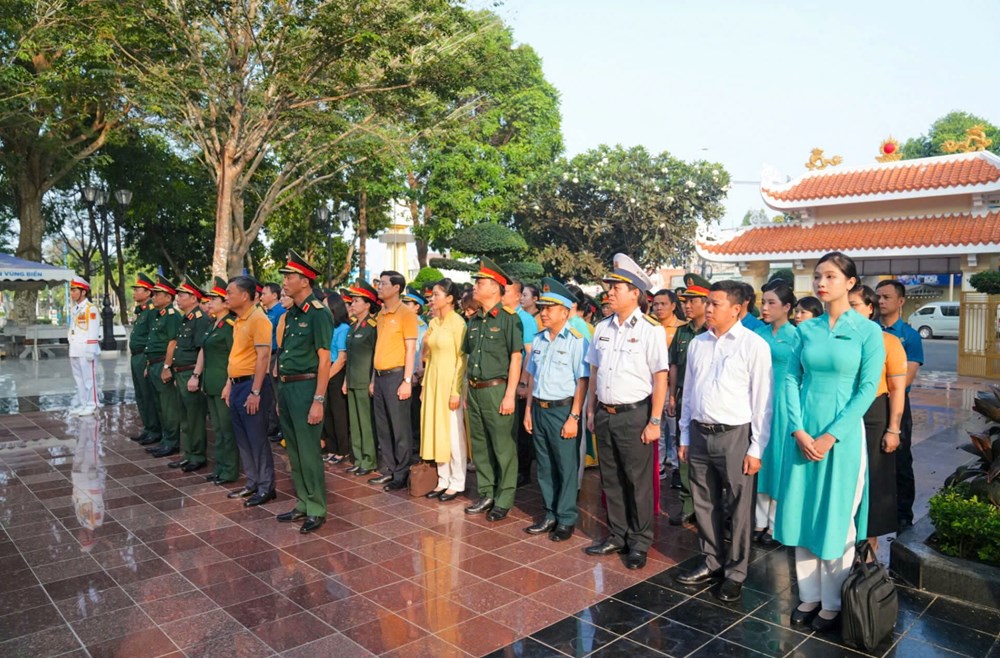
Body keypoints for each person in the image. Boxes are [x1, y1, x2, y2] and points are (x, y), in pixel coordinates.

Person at [776, 251, 884, 632]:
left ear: (851, 283)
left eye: (831, 276)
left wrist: (830, 435)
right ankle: (809, 595)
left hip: (842, 437)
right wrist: (798, 430)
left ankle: (834, 601)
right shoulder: (805, 330)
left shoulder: (868, 332)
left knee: (837, 516)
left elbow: (867, 389)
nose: (821, 283)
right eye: (818, 276)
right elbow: (791, 379)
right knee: (802, 512)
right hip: (803, 432)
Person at [673, 281, 773, 602]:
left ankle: (736, 572)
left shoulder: (753, 345)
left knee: (740, 508)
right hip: (700, 433)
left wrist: (756, 447)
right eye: (708, 303)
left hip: (735, 435)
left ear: (736, 309)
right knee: (704, 502)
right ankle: (711, 561)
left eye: (715, 304)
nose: (708, 309)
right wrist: (684, 434)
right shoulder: (698, 343)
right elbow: (689, 393)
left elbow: (762, 402)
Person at [585, 254, 669, 570]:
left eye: (616, 287)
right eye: (609, 287)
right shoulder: (601, 328)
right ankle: (617, 535)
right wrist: (591, 410)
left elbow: (660, 377)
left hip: (635, 415)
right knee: (611, 479)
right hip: (605, 413)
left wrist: (655, 420)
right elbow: (594, 372)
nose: (609, 292)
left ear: (635, 292)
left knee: (637, 481)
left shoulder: (650, 329)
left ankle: (640, 541)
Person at [523, 278, 589, 541]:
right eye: (542, 308)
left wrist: (574, 416)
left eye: (550, 308)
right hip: (539, 409)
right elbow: (532, 378)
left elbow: (582, 381)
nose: (544, 313)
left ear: (565, 312)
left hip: (563, 410)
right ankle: (550, 513)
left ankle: (566, 518)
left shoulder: (576, 341)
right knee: (545, 465)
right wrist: (528, 410)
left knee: (565, 466)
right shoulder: (539, 340)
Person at [272, 251, 334, 533]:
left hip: (307, 387)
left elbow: (325, 360)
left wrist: (318, 399)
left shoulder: (318, 313)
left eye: (290, 277)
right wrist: (280, 395)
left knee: (309, 451)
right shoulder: (292, 314)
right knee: (293, 450)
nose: (284, 281)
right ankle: (303, 502)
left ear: (305, 281)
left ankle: (317, 507)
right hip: (287, 387)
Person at [463, 258, 523, 521]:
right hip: (475, 389)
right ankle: (486, 492)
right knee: (480, 445)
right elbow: (468, 357)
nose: (475, 286)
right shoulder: (475, 320)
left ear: (496, 287)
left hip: (497, 390)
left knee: (502, 446)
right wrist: (466, 390)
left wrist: (510, 395)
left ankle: (504, 498)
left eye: (480, 282)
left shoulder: (509, 319)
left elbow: (516, 358)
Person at [850, 285, 905, 548]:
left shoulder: (888, 342)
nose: (848, 311)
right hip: (843, 409)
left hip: (874, 413)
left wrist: (893, 429)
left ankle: (868, 543)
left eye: (854, 306)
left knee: (873, 476)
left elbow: (897, 389)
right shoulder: (838, 340)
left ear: (870, 309)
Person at [224, 275, 276, 507]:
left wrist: (255, 392)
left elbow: (263, 357)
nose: (226, 297)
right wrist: (229, 383)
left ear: (244, 296)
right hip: (237, 385)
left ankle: (266, 487)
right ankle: (252, 482)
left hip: (252, 385)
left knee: (257, 438)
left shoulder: (258, 319)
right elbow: (237, 356)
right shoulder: (239, 320)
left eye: (230, 292)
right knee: (243, 438)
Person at [753, 283, 799, 546]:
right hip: (758, 402)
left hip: (783, 403)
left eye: (772, 303)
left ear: (787, 307)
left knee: (779, 460)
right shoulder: (757, 333)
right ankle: (758, 520)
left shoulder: (796, 336)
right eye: (763, 302)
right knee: (760, 456)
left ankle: (776, 524)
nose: (765, 307)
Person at [876, 279, 923, 530]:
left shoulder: (910, 336)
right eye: (878, 297)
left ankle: (904, 515)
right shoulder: (869, 330)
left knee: (901, 460)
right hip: (871, 403)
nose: (881, 301)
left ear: (901, 301)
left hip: (898, 403)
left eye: (887, 297)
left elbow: (907, 378)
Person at [369, 270, 418, 491]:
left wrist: (407, 380)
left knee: (400, 427)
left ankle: (401, 471)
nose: (379, 287)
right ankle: (389, 469)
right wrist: (373, 378)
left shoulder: (405, 314)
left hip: (397, 375)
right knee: (383, 426)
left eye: (383, 283)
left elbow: (411, 349)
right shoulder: (381, 314)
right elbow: (378, 348)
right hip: (380, 377)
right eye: (379, 283)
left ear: (397, 288)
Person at [421, 278, 469, 502]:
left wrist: (456, 390)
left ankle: (457, 481)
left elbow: (462, 358)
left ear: (450, 298)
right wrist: (424, 385)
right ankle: (443, 478)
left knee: (453, 433)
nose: (432, 299)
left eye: (437, 295)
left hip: (450, 383)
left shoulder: (458, 323)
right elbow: (428, 357)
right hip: (433, 381)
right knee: (436, 430)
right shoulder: (433, 323)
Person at [667, 274, 710, 518]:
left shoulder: (712, 332)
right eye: (685, 301)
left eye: (693, 301)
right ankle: (687, 503)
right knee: (683, 448)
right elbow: (673, 365)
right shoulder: (682, 332)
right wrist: (672, 396)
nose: (687, 305)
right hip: (684, 396)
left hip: (707, 399)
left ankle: (707, 503)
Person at [198, 277, 240, 485]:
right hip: (211, 383)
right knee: (217, 429)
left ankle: (230, 470)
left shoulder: (230, 325)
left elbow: (234, 356)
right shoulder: (213, 325)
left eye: (214, 299)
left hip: (224, 383)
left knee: (226, 429)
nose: (210, 302)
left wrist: (229, 383)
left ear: (225, 303)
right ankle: (220, 467)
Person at [168, 278, 212, 472]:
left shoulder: (200, 319)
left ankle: (198, 455)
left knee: (194, 418)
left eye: (182, 295)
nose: (178, 298)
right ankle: (187, 454)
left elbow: (201, 349)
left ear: (194, 298)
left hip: (190, 372)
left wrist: (195, 375)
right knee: (184, 418)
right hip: (181, 372)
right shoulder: (186, 318)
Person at [503, 279, 539, 488]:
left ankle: (523, 471)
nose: (502, 295)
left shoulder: (525, 319)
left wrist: (524, 382)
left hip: (519, 381)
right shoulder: (503, 316)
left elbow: (529, 353)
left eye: (506, 292)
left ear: (516, 296)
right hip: (505, 379)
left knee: (520, 431)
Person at [342, 281, 380, 477]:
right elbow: (349, 356)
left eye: (357, 301)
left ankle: (369, 459)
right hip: (352, 379)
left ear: (367, 304)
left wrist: (373, 380)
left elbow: (375, 356)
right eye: (352, 301)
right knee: (354, 422)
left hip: (365, 380)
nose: (352, 304)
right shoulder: (352, 326)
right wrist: (345, 380)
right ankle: (358, 458)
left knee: (365, 422)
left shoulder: (372, 327)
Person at [651, 289, 686, 480]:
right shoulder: (649, 326)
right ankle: (659, 466)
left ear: (673, 306)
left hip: (672, 387)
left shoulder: (682, 328)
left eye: (663, 304)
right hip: (653, 386)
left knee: (674, 430)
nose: (658, 308)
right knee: (657, 428)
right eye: (655, 304)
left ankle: (676, 466)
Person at [146, 276, 183, 459]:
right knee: (160, 405)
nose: (153, 297)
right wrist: (148, 364)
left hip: (162, 363)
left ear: (168, 297)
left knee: (168, 407)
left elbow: (172, 342)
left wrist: (167, 366)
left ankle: (172, 442)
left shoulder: (172, 315)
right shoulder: (159, 315)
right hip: (154, 363)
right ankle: (164, 439)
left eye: (157, 294)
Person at [128, 274, 161, 444]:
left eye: (138, 290)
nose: (134, 292)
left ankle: (155, 429)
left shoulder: (151, 311)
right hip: (136, 356)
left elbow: (152, 337)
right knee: (140, 394)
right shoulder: (141, 311)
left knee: (148, 395)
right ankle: (148, 427)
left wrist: (148, 360)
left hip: (143, 356)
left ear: (148, 292)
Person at [322, 293, 351, 464]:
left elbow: (342, 358)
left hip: (336, 371)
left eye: (326, 306)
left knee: (338, 412)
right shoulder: (328, 326)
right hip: (326, 368)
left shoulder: (343, 328)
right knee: (327, 412)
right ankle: (332, 448)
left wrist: (326, 377)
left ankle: (343, 449)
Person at [67, 276, 101, 416]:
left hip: (86, 349)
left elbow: (93, 329)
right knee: (79, 379)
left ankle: (92, 404)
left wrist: (91, 350)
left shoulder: (90, 309)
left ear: (83, 292)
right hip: (75, 349)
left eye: (75, 290)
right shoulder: (75, 309)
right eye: (71, 290)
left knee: (89, 379)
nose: (72, 293)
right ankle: (83, 404)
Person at [402, 286, 428, 458]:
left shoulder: (420, 326)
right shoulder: (405, 322)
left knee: (414, 413)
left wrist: (414, 374)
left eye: (408, 303)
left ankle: (416, 444)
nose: (404, 306)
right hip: (403, 374)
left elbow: (419, 352)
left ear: (417, 307)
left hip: (414, 376)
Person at [261, 282, 286, 443]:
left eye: (264, 293)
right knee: (270, 395)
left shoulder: (280, 312)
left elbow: (279, 338)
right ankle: (273, 426)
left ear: (274, 295)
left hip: (275, 355)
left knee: (277, 394)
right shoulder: (267, 312)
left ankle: (281, 429)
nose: (262, 297)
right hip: (267, 355)